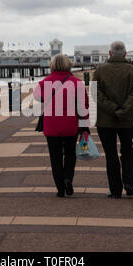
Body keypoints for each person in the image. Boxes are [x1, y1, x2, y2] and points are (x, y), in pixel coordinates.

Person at [34, 54, 89, 198]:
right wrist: (85, 127)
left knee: (55, 158)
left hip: (52, 126)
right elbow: (84, 108)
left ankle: (60, 188)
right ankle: (68, 179)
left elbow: (37, 97)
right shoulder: (77, 83)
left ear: (52, 65)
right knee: (70, 155)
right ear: (69, 64)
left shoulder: (44, 83)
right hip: (71, 125)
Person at [93, 41, 133, 198]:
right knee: (127, 149)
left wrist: (112, 109)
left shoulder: (100, 71)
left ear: (110, 53)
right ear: (125, 54)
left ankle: (115, 189)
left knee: (111, 154)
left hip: (106, 120)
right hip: (127, 120)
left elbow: (95, 93)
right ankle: (129, 183)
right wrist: (123, 110)